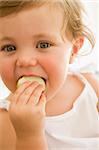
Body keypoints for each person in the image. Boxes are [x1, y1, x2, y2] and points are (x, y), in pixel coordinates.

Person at [0, 0, 99, 150]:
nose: (25, 60)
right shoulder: (6, 119)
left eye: (43, 45)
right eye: (9, 48)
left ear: (74, 49)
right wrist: (28, 135)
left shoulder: (89, 84)